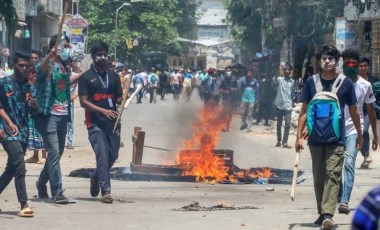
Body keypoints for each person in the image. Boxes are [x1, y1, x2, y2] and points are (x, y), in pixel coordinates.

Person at [295, 45, 362, 229]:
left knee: (332, 174)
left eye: (331, 58)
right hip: (315, 139)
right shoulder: (311, 82)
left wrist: (359, 134)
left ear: (336, 61)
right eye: (324, 58)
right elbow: (304, 110)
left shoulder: (346, 83)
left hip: (337, 138)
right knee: (318, 177)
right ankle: (322, 212)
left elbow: (354, 111)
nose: (327, 61)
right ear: (319, 60)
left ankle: (327, 214)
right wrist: (298, 136)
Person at [32, 34, 81, 204]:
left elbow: (65, 84)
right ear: (54, 47)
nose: (65, 49)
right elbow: (40, 70)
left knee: (58, 153)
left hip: (63, 114)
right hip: (48, 115)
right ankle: (57, 192)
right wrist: (50, 55)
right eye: (62, 46)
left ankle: (41, 182)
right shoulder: (48, 64)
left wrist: (83, 75)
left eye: (67, 46)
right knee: (53, 152)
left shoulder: (64, 67)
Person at [78, 41, 123, 203]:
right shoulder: (86, 78)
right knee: (102, 156)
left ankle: (96, 176)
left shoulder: (114, 76)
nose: (102, 57)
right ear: (93, 57)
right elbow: (83, 102)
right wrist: (102, 111)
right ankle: (106, 191)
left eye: (105, 54)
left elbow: (117, 98)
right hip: (95, 123)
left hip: (113, 123)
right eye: (99, 55)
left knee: (113, 155)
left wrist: (122, 99)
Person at [338, 49, 378, 214]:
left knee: (349, 163)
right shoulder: (337, 82)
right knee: (335, 166)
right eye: (347, 63)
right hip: (337, 129)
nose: (351, 66)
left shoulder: (365, 85)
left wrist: (375, 134)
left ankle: (344, 200)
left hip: (356, 128)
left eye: (354, 63)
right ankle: (339, 192)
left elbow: (370, 110)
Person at [0, 51, 34, 217]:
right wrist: (9, 122)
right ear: (14, 65)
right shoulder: (3, 83)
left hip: (23, 131)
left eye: (27, 66)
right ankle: (24, 204)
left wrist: (34, 104)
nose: (24, 68)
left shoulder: (29, 86)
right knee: (20, 165)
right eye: (21, 65)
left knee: (11, 168)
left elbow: (34, 108)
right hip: (6, 130)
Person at [26, 49, 47, 163]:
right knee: (33, 129)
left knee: (41, 130)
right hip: (30, 104)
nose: (33, 60)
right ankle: (35, 155)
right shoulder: (27, 72)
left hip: (40, 104)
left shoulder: (41, 72)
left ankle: (43, 156)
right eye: (32, 58)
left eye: (36, 58)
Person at [358, 57, 377, 168]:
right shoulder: (354, 80)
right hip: (357, 111)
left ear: (368, 67)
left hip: (369, 112)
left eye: (365, 66)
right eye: (361, 66)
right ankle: (366, 155)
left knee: (364, 130)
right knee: (358, 134)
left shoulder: (373, 81)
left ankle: (366, 154)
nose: (363, 68)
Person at [273, 62, 294, 148]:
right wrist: (279, 69)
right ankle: (279, 140)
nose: (287, 71)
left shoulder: (292, 81)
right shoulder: (280, 79)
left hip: (288, 105)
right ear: (283, 70)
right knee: (279, 123)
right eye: (285, 69)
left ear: (290, 71)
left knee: (288, 124)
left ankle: (285, 142)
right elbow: (275, 78)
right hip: (279, 105)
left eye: (288, 70)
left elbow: (292, 94)